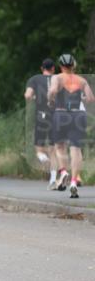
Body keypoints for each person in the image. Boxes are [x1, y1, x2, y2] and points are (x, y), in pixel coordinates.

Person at [48, 53, 94, 199]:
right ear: (73, 65)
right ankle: (74, 182)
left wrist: (50, 99)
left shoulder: (57, 78)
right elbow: (91, 99)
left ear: (61, 66)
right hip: (78, 115)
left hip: (61, 114)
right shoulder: (82, 80)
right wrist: (83, 98)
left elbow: (53, 90)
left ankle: (63, 171)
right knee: (76, 148)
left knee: (59, 146)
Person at [24, 58, 59, 189]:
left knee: (39, 149)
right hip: (57, 116)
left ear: (41, 68)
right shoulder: (58, 79)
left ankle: (45, 161)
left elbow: (28, 95)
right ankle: (53, 179)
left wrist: (33, 97)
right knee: (53, 148)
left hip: (42, 116)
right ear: (53, 69)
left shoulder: (35, 79)